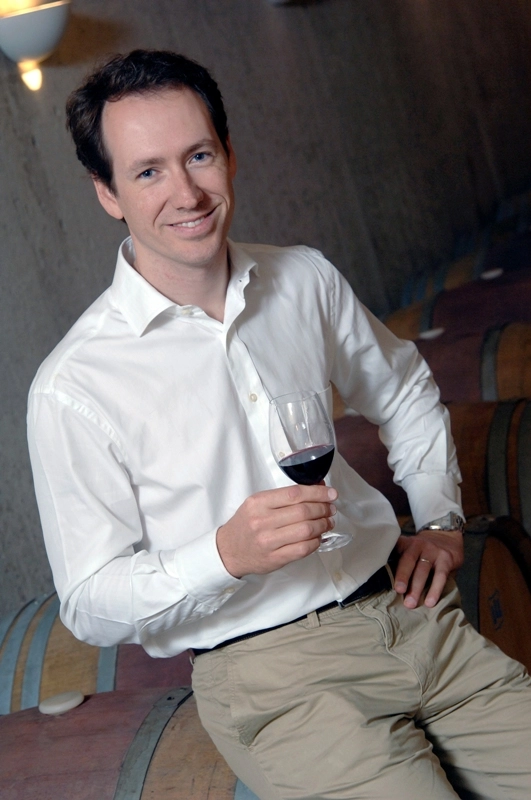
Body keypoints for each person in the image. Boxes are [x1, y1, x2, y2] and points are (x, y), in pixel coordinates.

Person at [27, 49, 531, 800]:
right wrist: (222, 555)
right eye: (148, 171)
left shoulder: (302, 278)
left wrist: (440, 519)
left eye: (199, 156)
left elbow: (402, 391)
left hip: (414, 617)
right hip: (277, 683)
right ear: (107, 193)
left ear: (229, 154)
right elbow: (89, 602)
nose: (186, 192)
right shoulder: (74, 386)